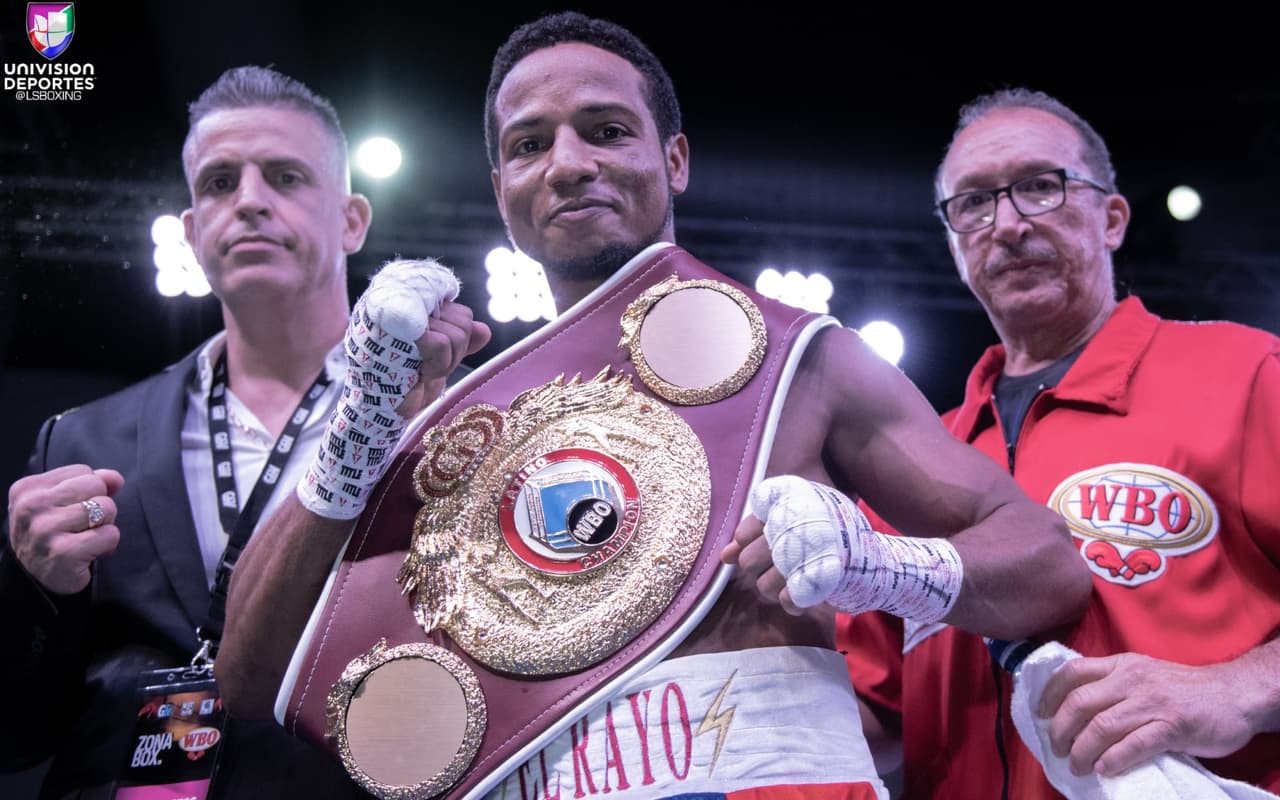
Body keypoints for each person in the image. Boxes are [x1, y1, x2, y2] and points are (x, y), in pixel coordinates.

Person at [217, 16, 1090, 800]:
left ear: (672, 158)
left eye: (605, 131)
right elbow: (246, 684)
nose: (568, 164)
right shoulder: (458, 421)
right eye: (530, 145)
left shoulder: (798, 363)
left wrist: (885, 566)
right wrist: (360, 423)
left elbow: (1049, 565)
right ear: (501, 189)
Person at [0, 65, 467, 798]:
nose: (249, 201)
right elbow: (13, 739)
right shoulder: (82, 443)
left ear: (352, 221)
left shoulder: (441, 419)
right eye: (220, 183)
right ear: (191, 231)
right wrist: (33, 592)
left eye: (285, 177)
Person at [841, 88, 1280, 798]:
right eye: (974, 202)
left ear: (1112, 218)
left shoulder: (1246, 376)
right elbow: (871, 712)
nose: (1007, 224)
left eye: (1040, 187)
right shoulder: (913, 458)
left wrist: (1239, 687)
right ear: (953, 243)